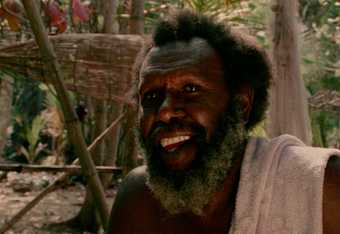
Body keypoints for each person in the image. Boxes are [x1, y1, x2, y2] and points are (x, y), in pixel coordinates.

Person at [107, 10, 340, 234]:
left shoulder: (323, 189)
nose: (165, 112)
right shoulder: (138, 201)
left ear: (241, 104)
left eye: (190, 89)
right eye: (151, 96)